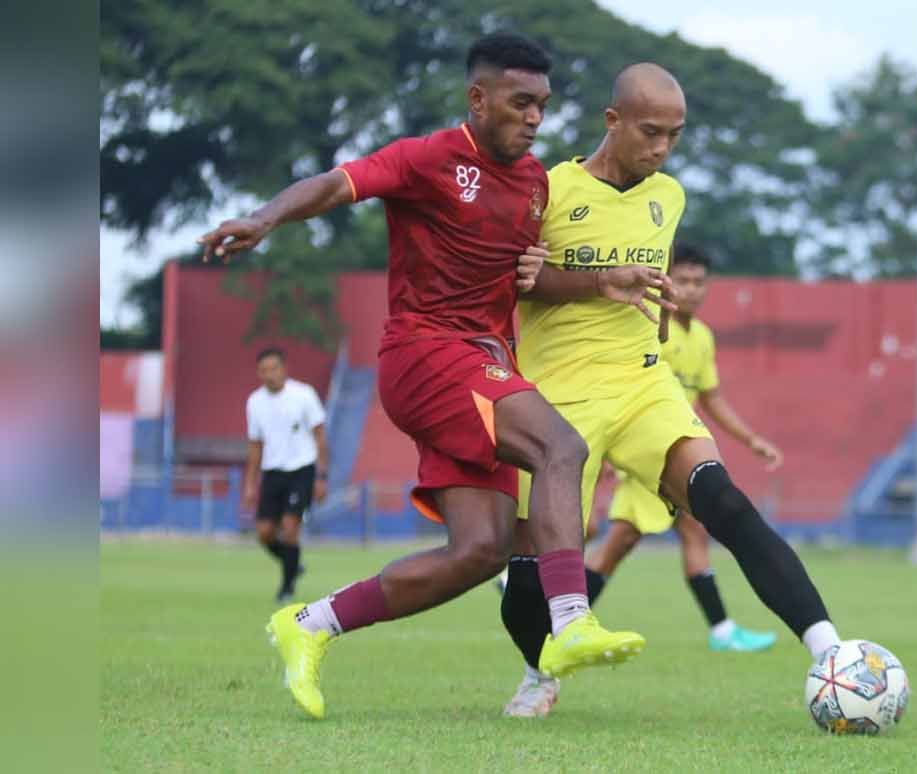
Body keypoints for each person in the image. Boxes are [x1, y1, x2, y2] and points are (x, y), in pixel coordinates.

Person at [198, 33, 643, 721]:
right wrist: (263, 217)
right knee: (563, 447)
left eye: (543, 106)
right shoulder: (428, 159)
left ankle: (310, 624)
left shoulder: (534, 183)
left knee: (480, 551)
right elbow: (333, 185)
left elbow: (531, 278)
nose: (534, 118)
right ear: (478, 97)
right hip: (426, 353)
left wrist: (587, 278)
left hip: (484, 363)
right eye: (520, 103)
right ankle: (571, 620)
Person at [498, 62, 844, 719]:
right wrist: (593, 281)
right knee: (524, 576)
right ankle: (537, 672)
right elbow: (515, 283)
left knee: (725, 504)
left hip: (641, 385)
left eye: (674, 135)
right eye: (650, 132)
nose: (661, 148)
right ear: (613, 121)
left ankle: (831, 652)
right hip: (556, 401)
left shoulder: (670, 197)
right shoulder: (547, 189)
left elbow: (646, 289)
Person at [587, 242, 780, 653]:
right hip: (648, 458)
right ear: (666, 281)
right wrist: (606, 452)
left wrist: (752, 440)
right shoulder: (654, 329)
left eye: (699, 282)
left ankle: (722, 630)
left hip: (675, 456)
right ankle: (555, 618)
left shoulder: (702, 337)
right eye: (684, 280)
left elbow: (711, 397)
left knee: (682, 533)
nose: (692, 289)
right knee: (619, 544)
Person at [243, 347, 327, 602]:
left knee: (290, 528)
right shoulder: (254, 402)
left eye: (274, 368)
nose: (270, 374)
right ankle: (294, 563)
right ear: (259, 373)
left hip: (302, 469)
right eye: (265, 370)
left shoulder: (303, 394)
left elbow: (320, 436)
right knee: (264, 532)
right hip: (272, 472)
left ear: (284, 368)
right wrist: (249, 484)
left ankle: (287, 587)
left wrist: (321, 476)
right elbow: (256, 445)